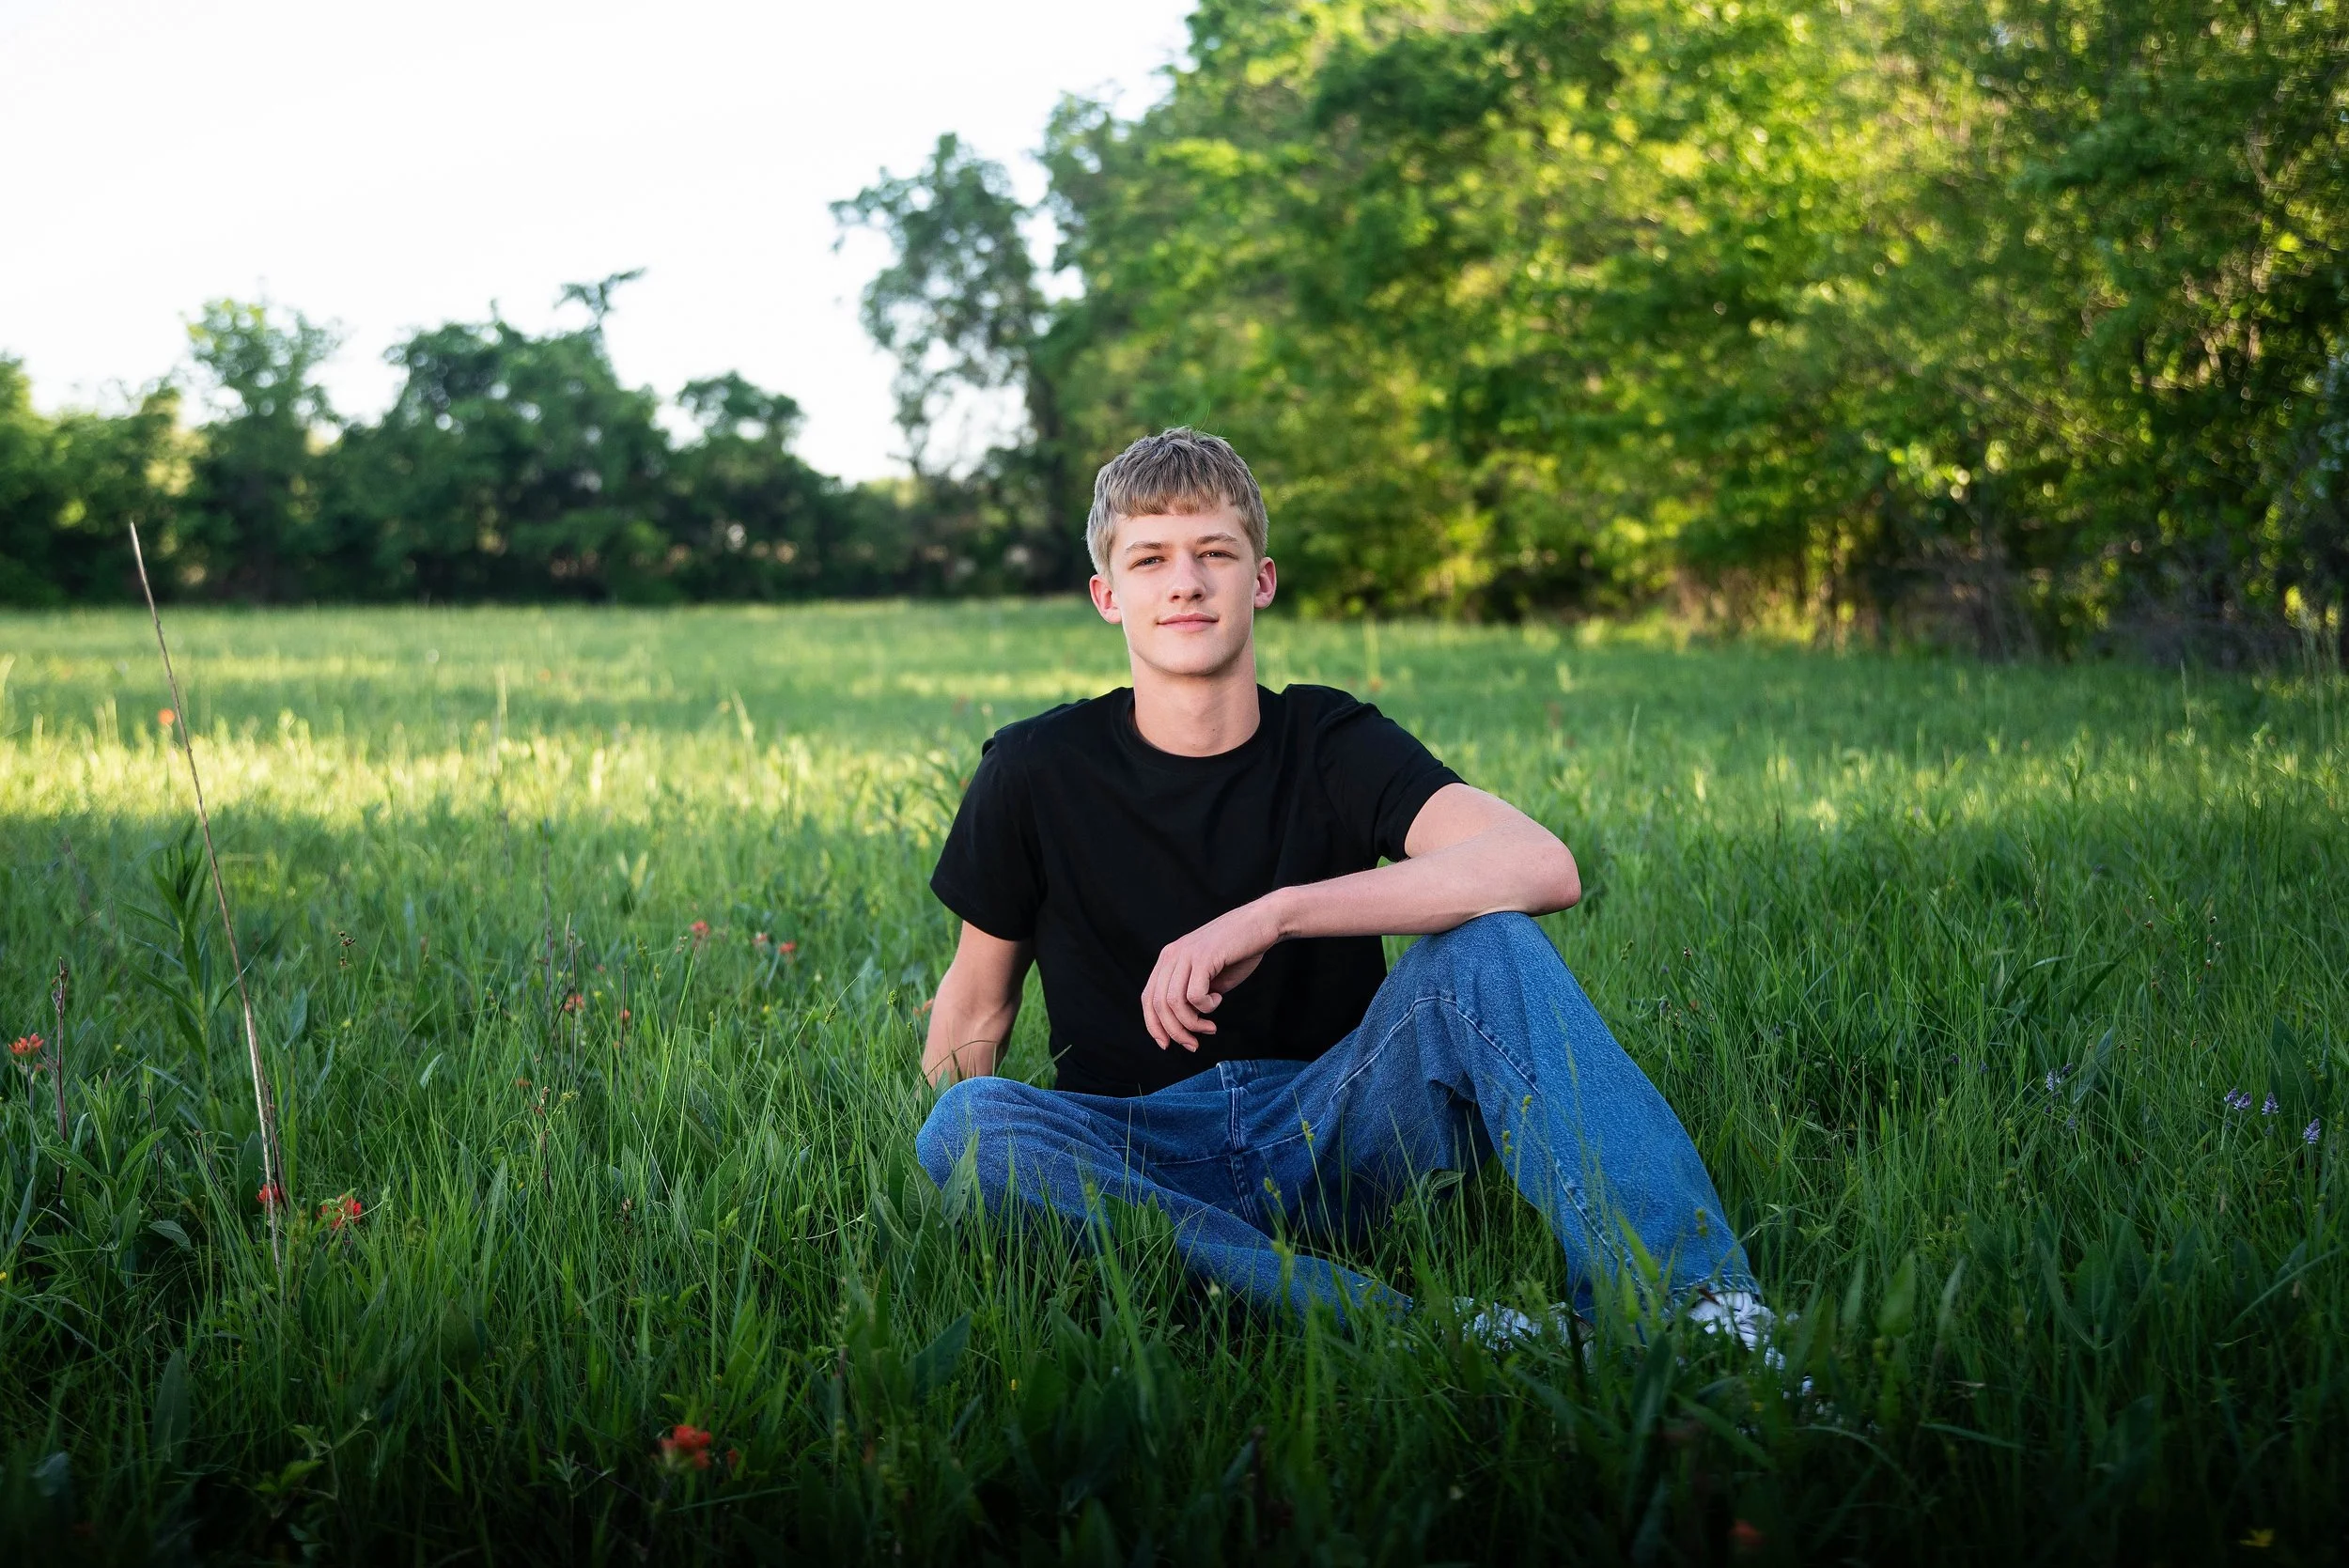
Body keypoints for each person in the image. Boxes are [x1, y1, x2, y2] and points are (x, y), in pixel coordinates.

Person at [914, 427, 1768, 1343]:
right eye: (1151, 558)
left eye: (1214, 553)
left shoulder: (1326, 738)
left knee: (1493, 944)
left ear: (1261, 579)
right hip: (1138, 1152)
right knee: (967, 1125)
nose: (1185, 582)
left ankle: (1699, 1313)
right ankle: (1435, 1330)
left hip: (1342, 1131)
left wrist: (1277, 915)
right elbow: (973, 1010)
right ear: (1107, 595)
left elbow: (1538, 865)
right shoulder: (1034, 767)